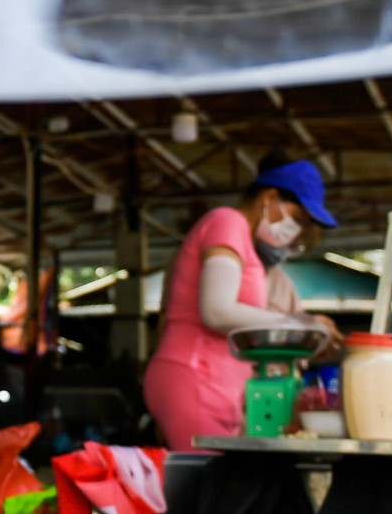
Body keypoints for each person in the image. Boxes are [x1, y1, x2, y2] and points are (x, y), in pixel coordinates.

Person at [144, 156, 340, 451]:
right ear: (270, 197)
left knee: (215, 487)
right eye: (297, 219)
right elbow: (217, 311)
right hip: (195, 375)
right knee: (206, 489)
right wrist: (301, 324)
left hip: (215, 384)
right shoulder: (227, 222)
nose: (296, 231)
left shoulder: (246, 245)